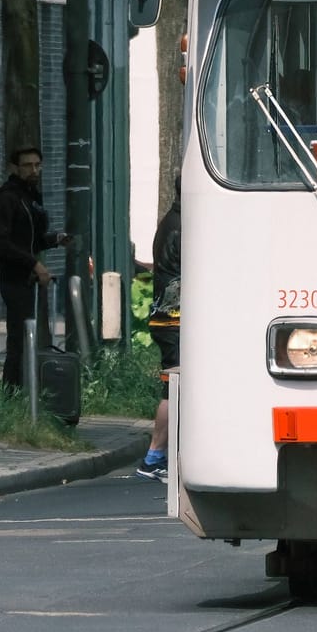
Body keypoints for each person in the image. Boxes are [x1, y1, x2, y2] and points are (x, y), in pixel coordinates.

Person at [0, 146, 68, 391]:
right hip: (16, 277)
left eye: (37, 165)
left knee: (26, 337)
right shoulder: (7, 196)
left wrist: (54, 239)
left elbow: (31, 239)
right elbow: (2, 243)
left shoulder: (32, 195)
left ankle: (26, 390)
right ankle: (11, 391)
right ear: (15, 168)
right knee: (19, 339)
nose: (33, 170)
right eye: (27, 165)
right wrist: (34, 263)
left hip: (29, 276)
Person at [138, 183, 181, 482]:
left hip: (169, 319)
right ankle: (154, 457)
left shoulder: (172, 222)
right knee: (174, 387)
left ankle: (161, 455)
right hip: (174, 321)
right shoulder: (184, 227)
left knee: (176, 386)